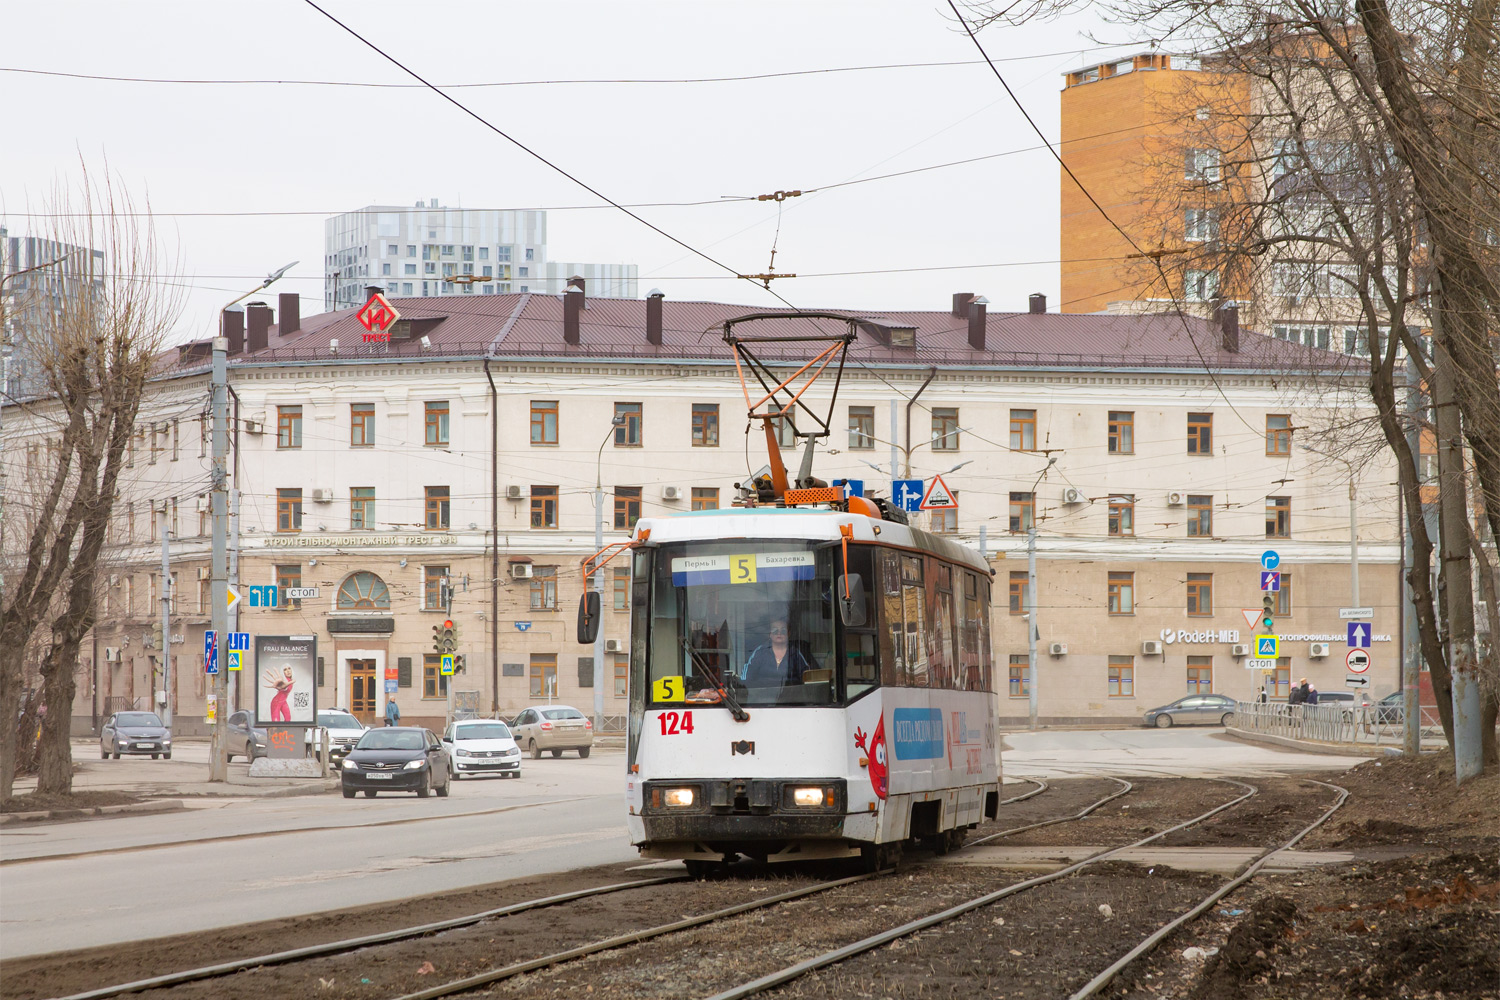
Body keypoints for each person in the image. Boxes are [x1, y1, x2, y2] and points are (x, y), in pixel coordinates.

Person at [742, 618, 814, 687]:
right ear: (770, 634)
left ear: (788, 634)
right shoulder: (760, 652)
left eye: (783, 631)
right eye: (775, 631)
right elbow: (747, 677)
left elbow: (807, 677)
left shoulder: (795, 653)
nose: (779, 633)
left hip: (791, 694)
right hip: (763, 694)